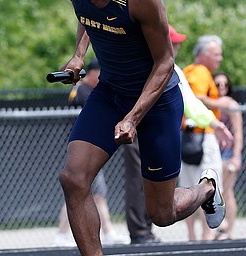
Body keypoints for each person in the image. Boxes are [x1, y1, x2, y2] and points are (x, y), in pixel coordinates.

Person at [58, 1, 225, 255]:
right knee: (73, 179)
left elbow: (166, 62)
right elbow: (87, 16)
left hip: (158, 102)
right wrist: (78, 56)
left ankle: (207, 188)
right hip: (110, 93)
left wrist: (133, 118)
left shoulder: (142, 2)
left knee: (161, 213)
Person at [124, 24, 233, 245]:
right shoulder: (135, 61)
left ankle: (207, 191)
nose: (175, 47)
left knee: (162, 203)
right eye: (171, 42)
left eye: (175, 43)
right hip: (141, 129)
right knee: (137, 182)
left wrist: (214, 122)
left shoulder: (175, 69)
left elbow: (192, 101)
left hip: (162, 133)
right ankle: (144, 232)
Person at [54, 58, 124, 246]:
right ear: (94, 73)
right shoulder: (83, 92)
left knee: (90, 192)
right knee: (82, 191)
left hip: (90, 147)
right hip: (84, 147)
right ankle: (62, 234)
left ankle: (107, 232)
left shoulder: (88, 91)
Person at [181, 35, 234, 241]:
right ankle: (205, 236)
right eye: (216, 53)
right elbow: (198, 98)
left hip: (186, 138)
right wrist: (223, 103)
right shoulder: (200, 72)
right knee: (209, 187)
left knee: (187, 188)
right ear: (202, 55)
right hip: (202, 137)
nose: (219, 58)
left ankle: (193, 236)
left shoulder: (187, 71)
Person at [212, 72, 243, 240]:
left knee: (226, 191)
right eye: (217, 85)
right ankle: (217, 230)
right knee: (213, 192)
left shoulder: (231, 105)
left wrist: (236, 157)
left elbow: (238, 133)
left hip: (227, 153)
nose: (221, 88)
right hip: (211, 151)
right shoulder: (210, 104)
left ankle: (228, 230)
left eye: (225, 85)